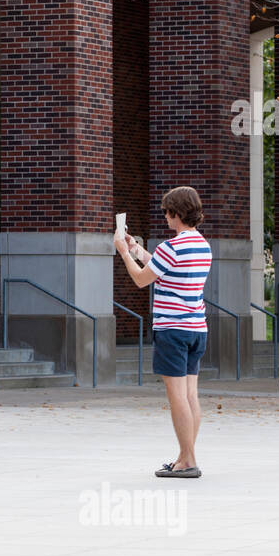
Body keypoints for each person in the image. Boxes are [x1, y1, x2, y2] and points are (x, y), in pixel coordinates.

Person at [114, 186, 212, 479]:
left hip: (172, 330)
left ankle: (189, 460)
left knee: (177, 398)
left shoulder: (172, 247)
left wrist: (123, 253)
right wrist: (136, 249)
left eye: (167, 212)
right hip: (197, 328)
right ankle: (184, 456)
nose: (165, 217)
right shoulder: (201, 245)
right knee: (191, 396)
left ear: (177, 213)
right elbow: (162, 267)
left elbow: (142, 280)